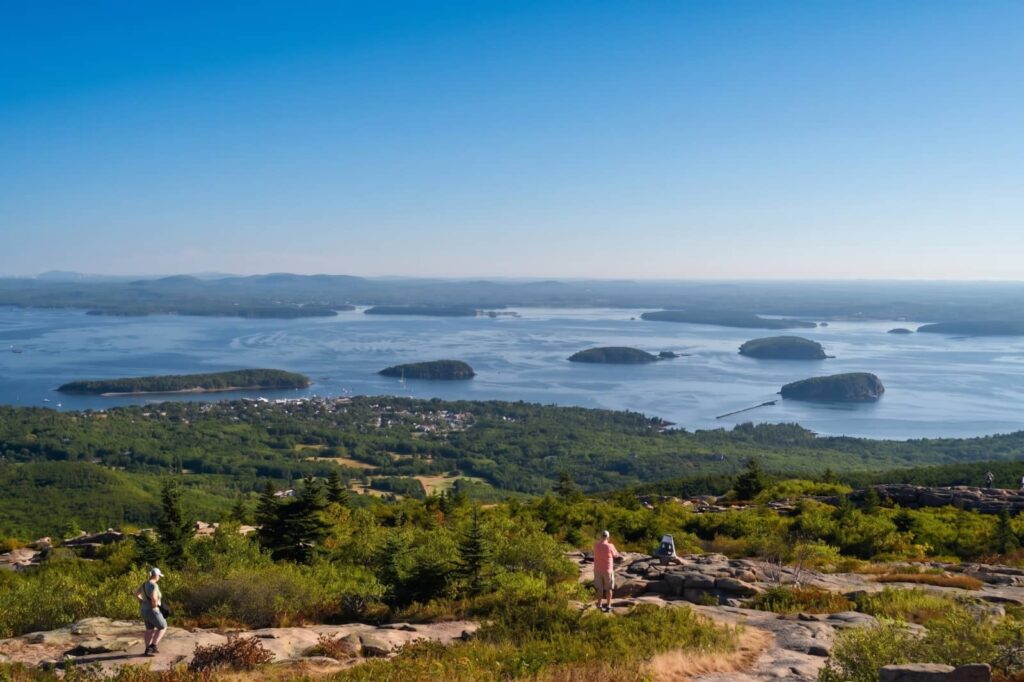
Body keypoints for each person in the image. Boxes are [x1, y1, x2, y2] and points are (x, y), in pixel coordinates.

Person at [134, 567, 167, 656]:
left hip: (144, 610)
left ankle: (147, 650)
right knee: (163, 627)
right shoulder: (154, 585)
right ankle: (153, 646)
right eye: (159, 576)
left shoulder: (144, 584)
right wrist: (154, 607)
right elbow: (154, 598)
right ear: (156, 576)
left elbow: (136, 594)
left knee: (149, 630)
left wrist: (142, 601)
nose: (159, 578)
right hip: (152, 610)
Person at [592, 530, 620, 613]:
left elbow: (593, 553)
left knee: (599, 589)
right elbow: (616, 555)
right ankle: (608, 606)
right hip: (608, 570)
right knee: (608, 589)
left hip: (597, 570)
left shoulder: (596, 545)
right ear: (608, 537)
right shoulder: (610, 546)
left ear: (601, 536)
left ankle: (599, 605)